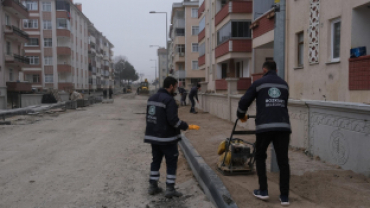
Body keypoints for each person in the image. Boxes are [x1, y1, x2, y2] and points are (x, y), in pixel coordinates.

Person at [237, 61, 291, 206]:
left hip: (265, 126)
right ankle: (284, 196)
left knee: (260, 156)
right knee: (283, 161)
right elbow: (283, 103)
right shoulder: (284, 84)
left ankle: (263, 191)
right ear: (277, 69)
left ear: (264, 70)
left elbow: (244, 101)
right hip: (283, 126)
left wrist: (240, 114)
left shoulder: (259, 83)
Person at [144, 77, 199, 198]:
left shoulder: (152, 98)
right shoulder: (169, 100)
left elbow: (149, 117)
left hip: (153, 137)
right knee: (171, 162)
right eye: (175, 86)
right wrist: (186, 126)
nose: (176, 89)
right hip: (167, 138)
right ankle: (170, 189)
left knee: (156, 160)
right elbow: (173, 120)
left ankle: (152, 186)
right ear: (170, 86)